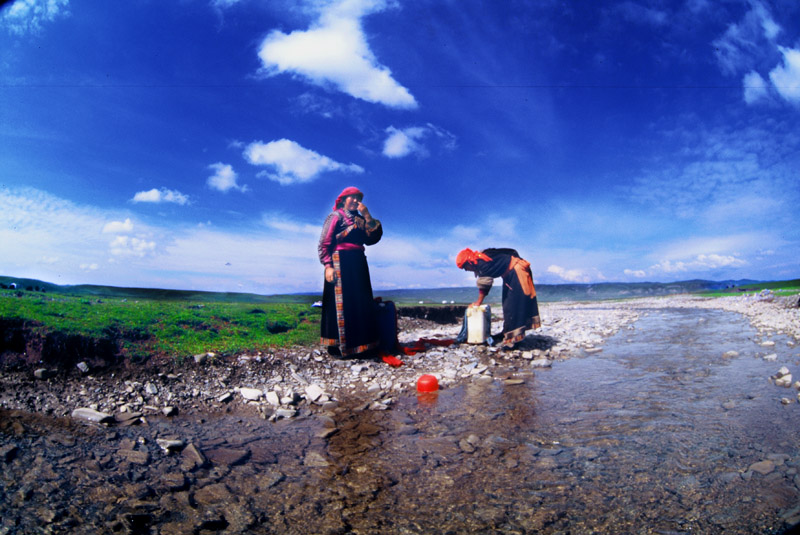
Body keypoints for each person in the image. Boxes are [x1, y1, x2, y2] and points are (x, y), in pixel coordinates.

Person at [318, 187, 383, 357]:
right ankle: (338, 346)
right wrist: (328, 266)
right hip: (340, 262)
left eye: (358, 198)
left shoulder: (361, 220)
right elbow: (324, 242)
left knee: (360, 302)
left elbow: (372, 239)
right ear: (343, 199)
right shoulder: (335, 217)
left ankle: (361, 346)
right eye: (352, 197)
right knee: (341, 304)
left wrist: (367, 215)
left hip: (358, 263)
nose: (355, 200)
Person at [456, 247, 541, 348]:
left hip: (517, 271)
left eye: (465, 268)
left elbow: (484, 286)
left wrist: (478, 302)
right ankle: (507, 333)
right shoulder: (481, 259)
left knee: (514, 305)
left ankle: (514, 339)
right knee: (507, 304)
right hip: (511, 273)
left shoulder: (482, 262)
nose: (466, 270)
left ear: (469, 262)